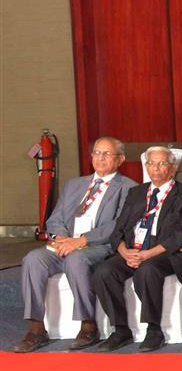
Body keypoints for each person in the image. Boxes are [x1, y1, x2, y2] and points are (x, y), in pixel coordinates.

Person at [12, 138, 135, 353]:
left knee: (76, 259)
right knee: (33, 258)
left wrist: (82, 240)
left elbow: (118, 225)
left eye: (107, 153)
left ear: (120, 159)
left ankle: (88, 325)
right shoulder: (74, 184)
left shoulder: (128, 187)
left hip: (97, 246)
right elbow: (56, 217)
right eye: (96, 153)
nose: (100, 158)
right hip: (65, 243)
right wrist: (61, 238)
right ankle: (36, 328)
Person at [92, 147, 182, 352]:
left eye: (162, 164)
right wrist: (124, 251)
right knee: (103, 271)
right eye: (152, 163)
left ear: (173, 168)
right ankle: (120, 329)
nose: (156, 168)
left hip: (168, 252)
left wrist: (149, 254)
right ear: (146, 166)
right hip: (134, 249)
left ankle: (154, 330)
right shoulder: (136, 193)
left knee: (147, 269)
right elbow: (119, 228)